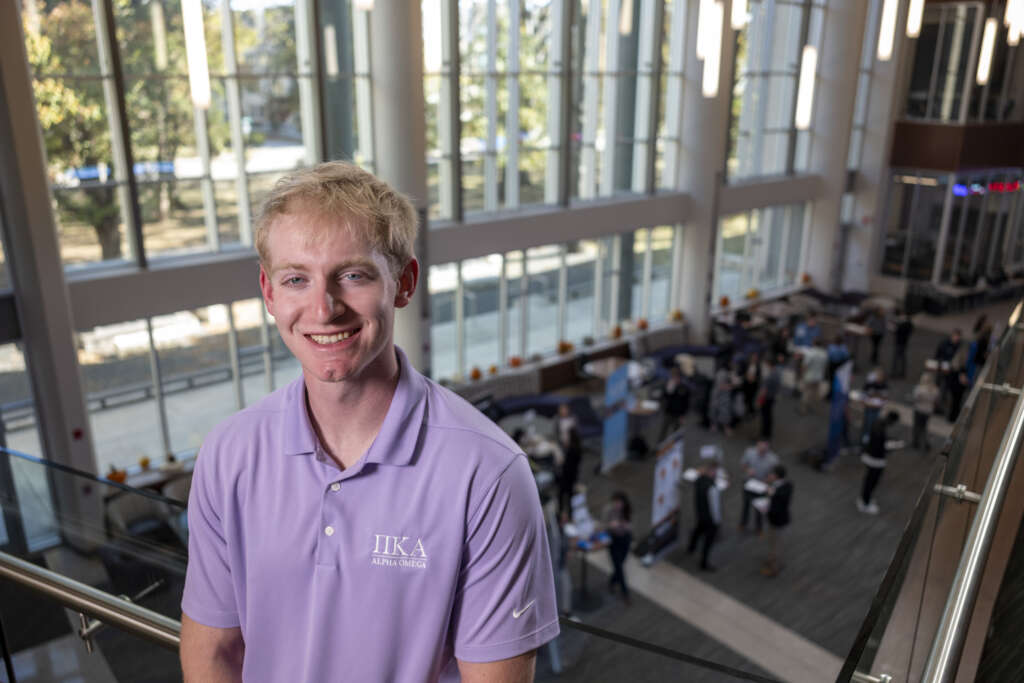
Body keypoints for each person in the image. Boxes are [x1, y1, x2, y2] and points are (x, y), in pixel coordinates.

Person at [180, 162, 559, 682]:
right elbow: (213, 652)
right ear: (269, 293)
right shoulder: (229, 453)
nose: (323, 308)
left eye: (353, 275)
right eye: (296, 279)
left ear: (404, 283)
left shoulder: (487, 474)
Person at [858, 411, 902, 514]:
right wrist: (891, 447)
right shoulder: (881, 429)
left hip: (870, 455)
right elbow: (880, 446)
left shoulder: (878, 423)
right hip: (876, 459)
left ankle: (865, 499)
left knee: (869, 480)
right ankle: (865, 503)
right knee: (872, 481)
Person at [687, 459, 722, 571]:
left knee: (698, 530)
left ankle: (691, 547)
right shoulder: (712, 487)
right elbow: (714, 507)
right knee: (708, 541)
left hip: (700, 513)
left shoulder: (699, 480)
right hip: (710, 518)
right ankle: (704, 562)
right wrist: (717, 521)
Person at [738, 440, 779, 534]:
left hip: (762, 486)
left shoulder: (773, 459)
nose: (761, 451)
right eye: (760, 449)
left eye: (764, 450)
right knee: (746, 505)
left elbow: (775, 474)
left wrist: (767, 480)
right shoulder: (749, 452)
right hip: (749, 483)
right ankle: (743, 523)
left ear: (768, 449)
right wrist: (747, 470)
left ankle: (759, 528)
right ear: (757, 446)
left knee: (760, 508)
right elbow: (743, 464)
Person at [760, 465, 793, 577]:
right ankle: (772, 560)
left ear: (776, 476)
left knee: (776, 546)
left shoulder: (783, 488)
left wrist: (766, 509)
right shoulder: (781, 485)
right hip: (774, 520)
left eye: (771, 474)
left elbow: (779, 506)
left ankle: (774, 569)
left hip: (778, 522)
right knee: (772, 543)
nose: (769, 475)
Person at [604, 491, 633, 603]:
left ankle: (612, 581)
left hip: (625, 539)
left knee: (620, 564)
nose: (617, 505)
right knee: (619, 567)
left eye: (619, 502)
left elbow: (631, 526)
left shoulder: (626, 511)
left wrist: (625, 526)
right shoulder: (609, 511)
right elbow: (603, 525)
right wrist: (610, 525)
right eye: (615, 502)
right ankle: (625, 593)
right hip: (613, 541)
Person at [556, 403, 583, 516]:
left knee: (563, 493)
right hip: (573, 474)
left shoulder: (572, 451)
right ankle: (570, 513)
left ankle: (563, 512)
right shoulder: (577, 448)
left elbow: (566, 465)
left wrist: (561, 463)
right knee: (570, 493)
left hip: (567, 475)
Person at [798, 339, 828, 414]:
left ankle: (803, 409)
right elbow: (825, 366)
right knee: (815, 393)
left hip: (809, 376)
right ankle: (813, 407)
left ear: (814, 344)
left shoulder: (810, 353)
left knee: (806, 392)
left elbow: (805, 365)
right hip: (819, 376)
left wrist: (802, 374)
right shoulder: (824, 354)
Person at [911, 371, 940, 453]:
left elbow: (915, 398)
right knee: (925, 427)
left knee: (917, 426)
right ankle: (926, 443)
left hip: (919, 409)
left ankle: (916, 442)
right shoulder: (935, 390)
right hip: (928, 411)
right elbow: (936, 401)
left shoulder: (919, 389)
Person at [661, 366, 690, 441]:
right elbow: (665, 397)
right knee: (664, 430)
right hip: (669, 412)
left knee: (676, 432)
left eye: (676, 377)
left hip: (678, 414)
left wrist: (683, 415)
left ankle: (674, 447)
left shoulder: (684, 388)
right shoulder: (670, 385)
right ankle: (660, 445)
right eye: (673, 377)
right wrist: (668, 390)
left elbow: (686, 403)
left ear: (679, 377)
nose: (674, 379)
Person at [759, 355, 781, 439]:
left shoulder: (770, 376)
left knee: (765, 416)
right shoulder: (777, 373)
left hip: (767, 398)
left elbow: (764, 391)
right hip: (772, 397)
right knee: (769, 415)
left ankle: (764, 434)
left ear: (769, 364)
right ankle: (767, 433)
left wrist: (759, 400)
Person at [890, 310, 914, 379]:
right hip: (904, 342)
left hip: (900, 342)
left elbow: (898, 331)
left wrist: (896, 328)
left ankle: (895, 373)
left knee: (897, 358)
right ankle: (901, 373)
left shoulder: (904, 324)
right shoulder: (908, 324)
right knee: (902, 358)